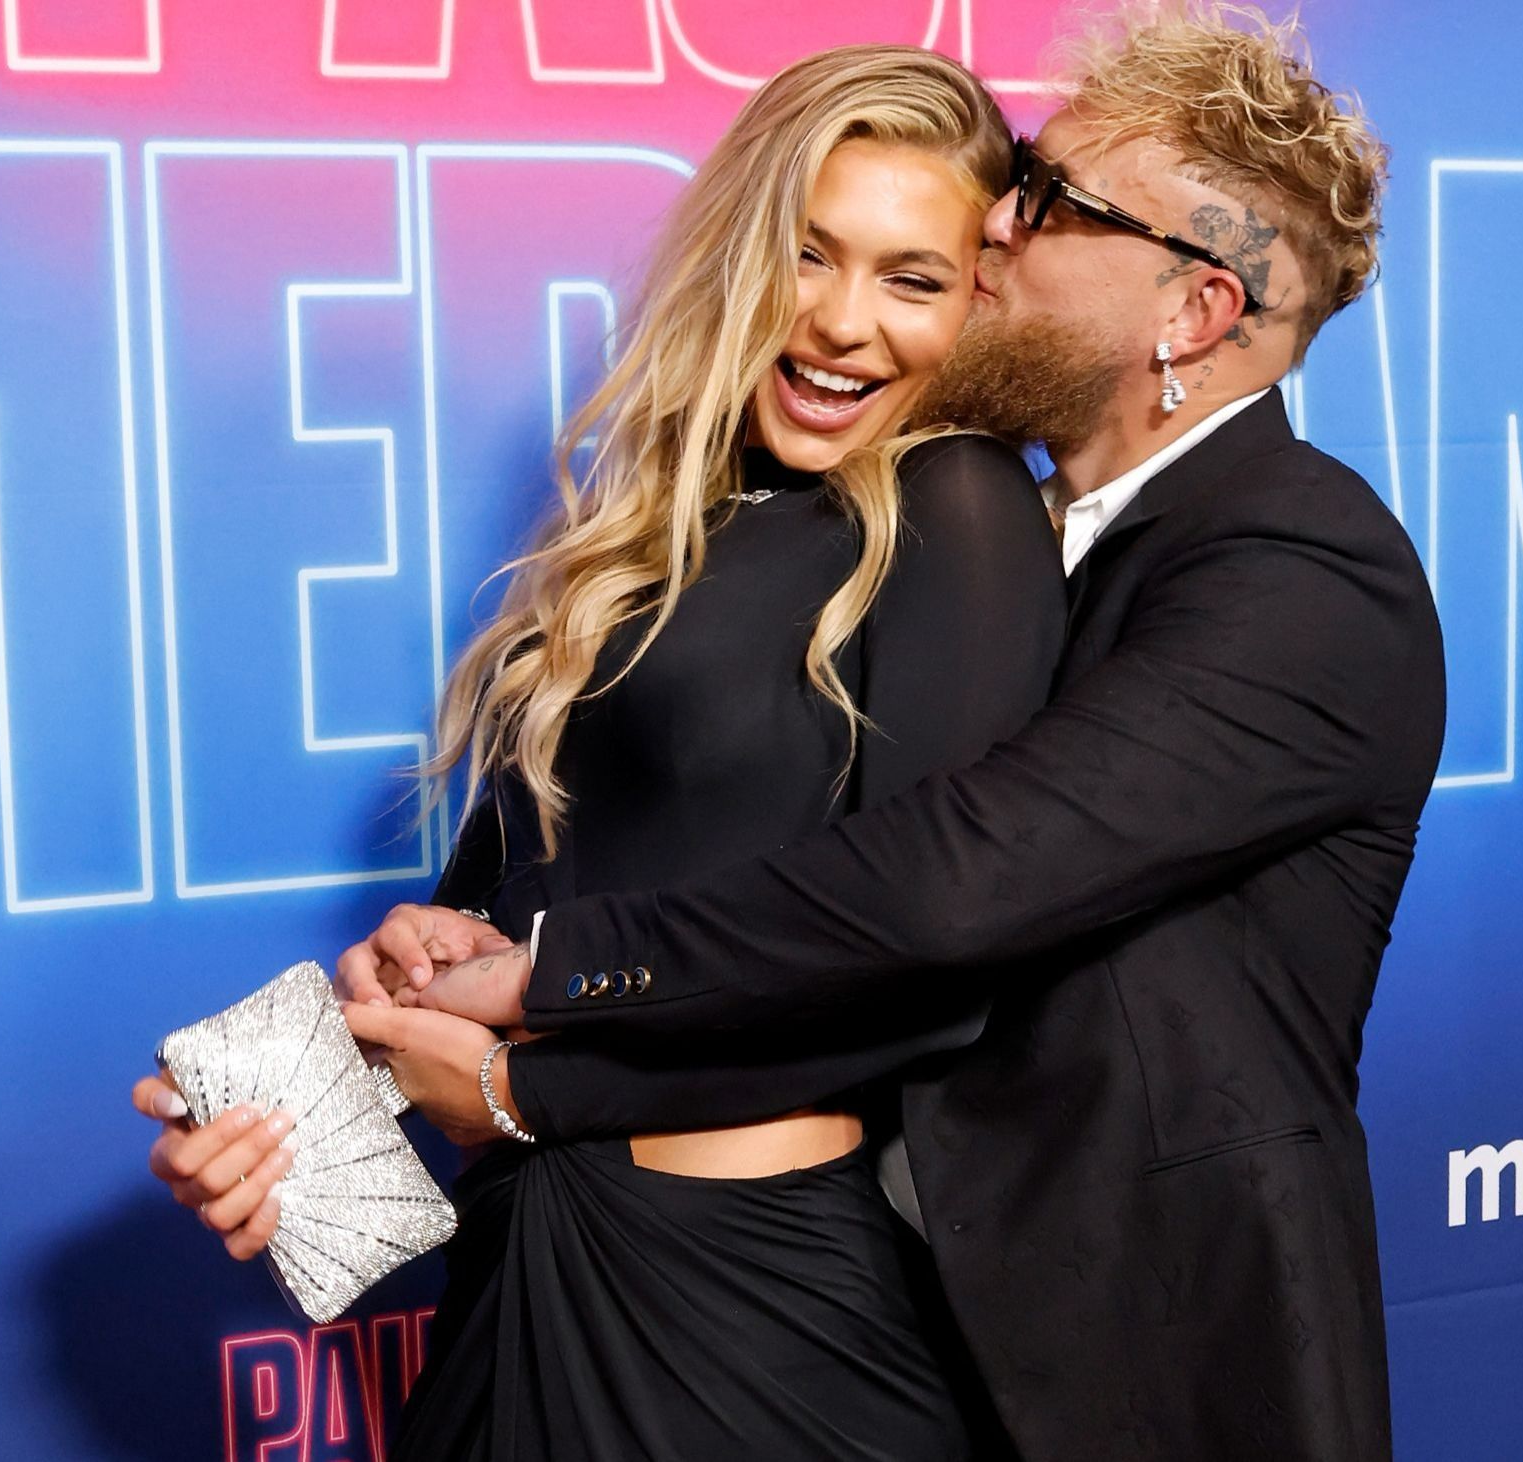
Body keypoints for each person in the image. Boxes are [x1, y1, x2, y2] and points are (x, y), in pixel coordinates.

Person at [362, 4, 1441, 1460]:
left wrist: (526, 1049)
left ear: (1191, 313)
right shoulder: (1005, 519)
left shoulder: (1304, 571)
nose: (1003, 219)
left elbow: (951, 883)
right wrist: (401, 1017)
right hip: (880, 1287)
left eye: (1054, 202)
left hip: (1129, 1354)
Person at [140, 43, 1065, 1460]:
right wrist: (350, 1061)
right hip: (519, 1255)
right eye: (805, 256)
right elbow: (539, 925)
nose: (841, 323)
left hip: (753, 1309)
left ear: (978, 302)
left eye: (911, 277)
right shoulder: (647, 531)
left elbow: (933, 968)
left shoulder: (957, 506)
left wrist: (524, 1088)